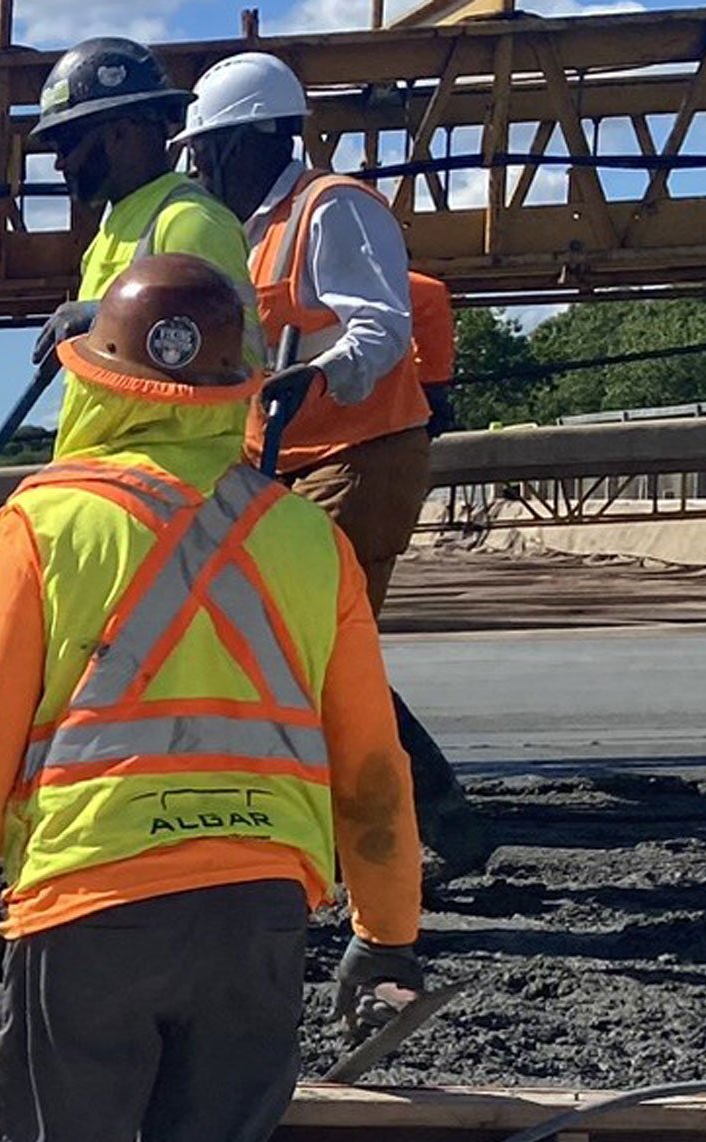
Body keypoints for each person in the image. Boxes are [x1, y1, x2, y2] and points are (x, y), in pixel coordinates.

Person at [0, 254, 422, 1142]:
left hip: (86, 911)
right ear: (241, 392)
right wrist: (385, 928)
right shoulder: (307, 539)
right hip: (255, 914)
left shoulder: (44, 523)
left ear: (93, 377)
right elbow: (373, 770)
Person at [176, 51, 488, 874]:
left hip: (360, 455)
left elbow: (382, 327)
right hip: (280, 466)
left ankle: (382, 832)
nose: (198, 170)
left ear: (250, 143)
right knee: (299, 651)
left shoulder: (333, 210)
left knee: (307, 649)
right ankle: (438, 817)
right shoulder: (241, 236)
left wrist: (315, 373)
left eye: (204, 152)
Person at [30, 37, 255, 367]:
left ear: (120, 132)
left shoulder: (188, 222)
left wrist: (106, 316)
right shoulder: (115, 230)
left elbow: (221, 363)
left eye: (66, 145)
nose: (60, 164)